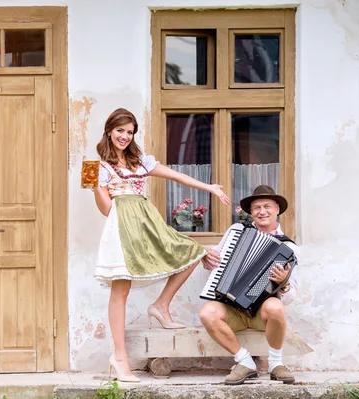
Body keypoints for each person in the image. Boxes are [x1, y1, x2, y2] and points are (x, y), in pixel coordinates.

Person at [93, 108, 231, 382]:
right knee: (120, 290)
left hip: (147, 221)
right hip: (121, 227)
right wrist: (96, 187)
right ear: (109, 130)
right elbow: (106, 210)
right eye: (120, 130)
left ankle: (161, 306)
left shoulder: (141, 162)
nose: (125, 136)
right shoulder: (98, 168)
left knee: (192, 252)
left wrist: (210, 187)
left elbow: (177, 176)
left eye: (130, 132)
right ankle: (119, 358)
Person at [200, 185, 299, 385]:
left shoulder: (287, 246)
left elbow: (291, 295)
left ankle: (276, 364)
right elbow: (216, 262)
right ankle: (244, 362)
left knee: (276, 305)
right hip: (232, 308)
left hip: (261, 313)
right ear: (251, 211)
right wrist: (207, 259)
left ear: (277, 209)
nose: (261, 212)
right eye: (256, 208)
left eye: (267, 206)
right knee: (207, 312)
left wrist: (284, 283)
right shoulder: (237, 230)